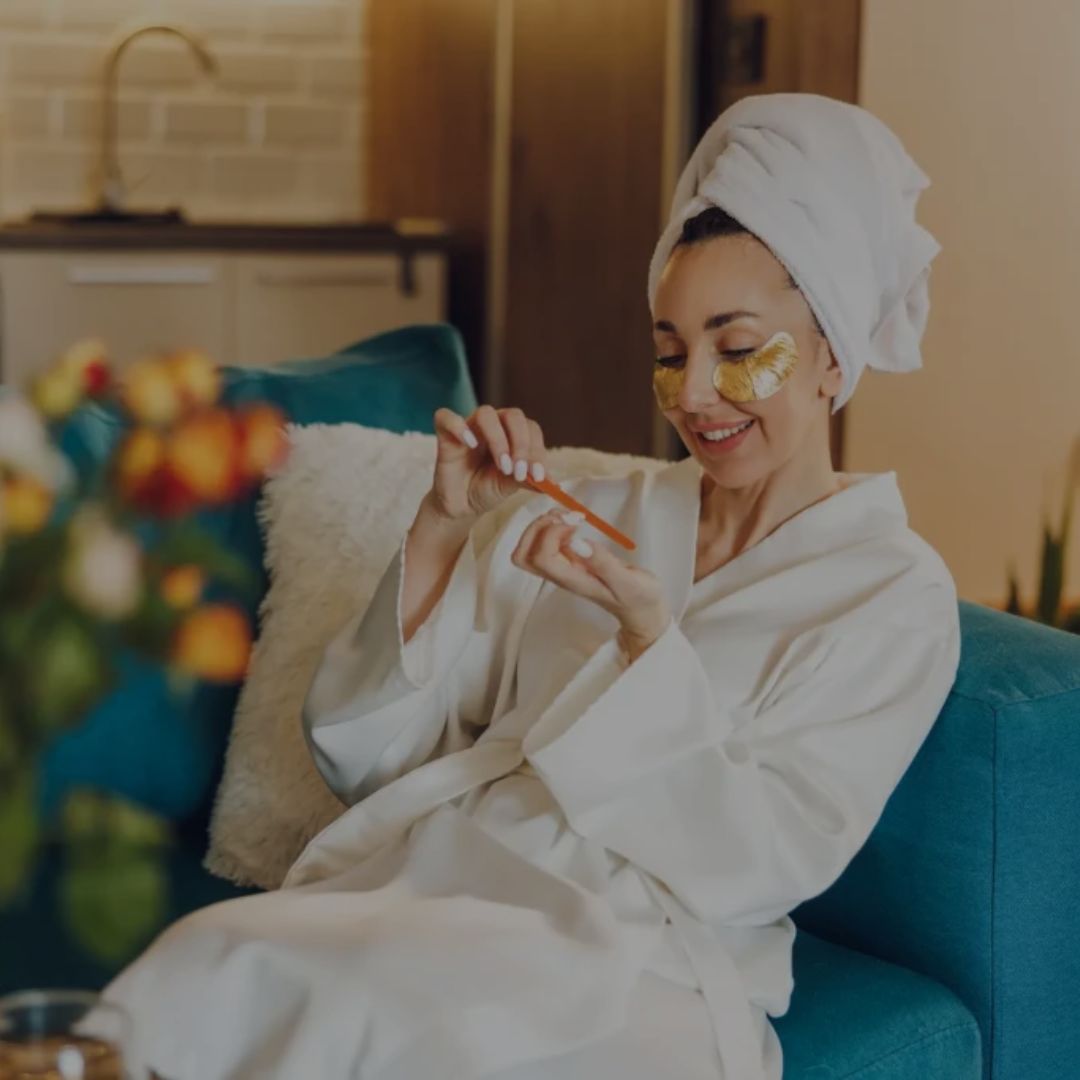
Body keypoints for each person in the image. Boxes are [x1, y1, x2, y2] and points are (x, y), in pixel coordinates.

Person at [102, 92, 960, 1080]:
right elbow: (369, 755)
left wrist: (647, 644)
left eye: (738, 349)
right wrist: (440, 529)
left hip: (649, 957)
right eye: (671, 353)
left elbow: (765, 860)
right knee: (203, 963)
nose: (691, 396)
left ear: (833, 354)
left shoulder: (891, 596)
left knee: (407, 1035)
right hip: (444, 887)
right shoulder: (599, 511)